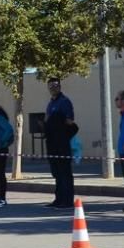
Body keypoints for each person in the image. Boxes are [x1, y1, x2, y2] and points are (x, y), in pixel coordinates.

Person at [44, 78, 76, 208]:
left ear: (60, 87)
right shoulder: (51, 103)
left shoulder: (64, 102)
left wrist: (58, 124)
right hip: (52, 142)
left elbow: (70, 121)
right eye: (50, 86)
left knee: (65, 172)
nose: (52, 88)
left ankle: (67, 200)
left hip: (61, 142)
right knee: (56, 172)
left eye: (55, 86)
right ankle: (58, 198)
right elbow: (47, 119)